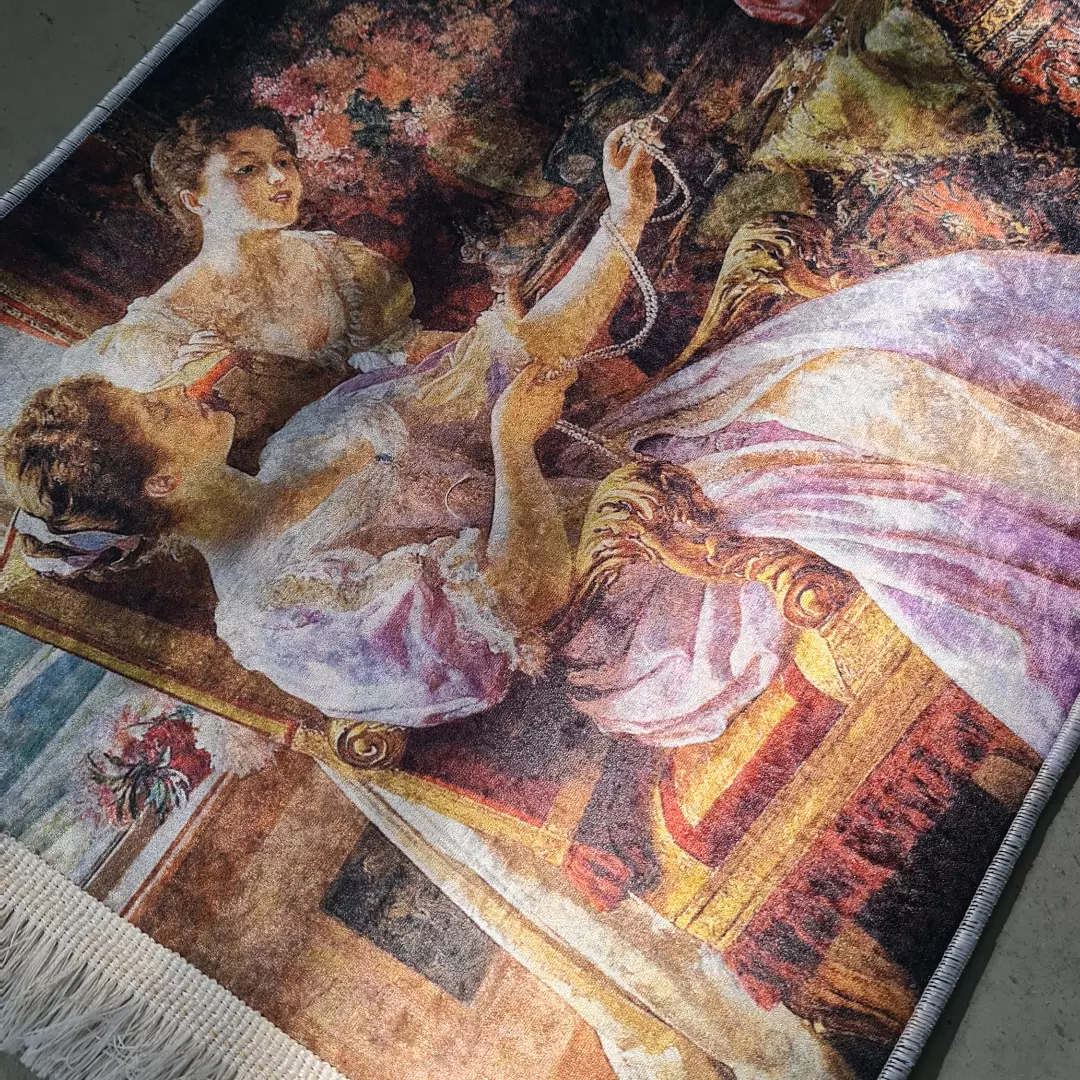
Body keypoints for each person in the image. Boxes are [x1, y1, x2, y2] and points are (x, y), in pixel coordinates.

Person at [4, 115, 664, 727]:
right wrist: (512, 445)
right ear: (162, 482)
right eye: (155, 408)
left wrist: (625, 217)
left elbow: (516, 359)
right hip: (631, 634)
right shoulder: (270, 612)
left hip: (629, 509)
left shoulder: (310, 438)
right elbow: (528, 604)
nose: (178, 391)